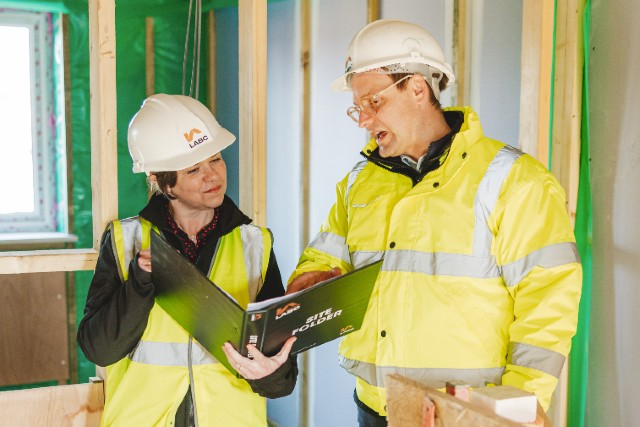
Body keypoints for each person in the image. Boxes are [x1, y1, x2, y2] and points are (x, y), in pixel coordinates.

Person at [287, 19, 582, 425]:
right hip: (373, 408)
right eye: (358, 106)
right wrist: (311, 280)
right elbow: (322, 257)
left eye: (373, 102)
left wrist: (517, 407)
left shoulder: (512, 180)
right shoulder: (360, 181)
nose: (363, 120)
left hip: (465, 415)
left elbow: (547, 304)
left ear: (418, 88)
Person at [77, 94, 297, 426]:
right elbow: (100, 349)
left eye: (217, 159)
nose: (213, 176)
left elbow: (282, 378)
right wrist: (139, 282)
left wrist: (270, 374)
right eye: (194, 168)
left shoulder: (255, 243)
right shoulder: (126, 241)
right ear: (160, 180)